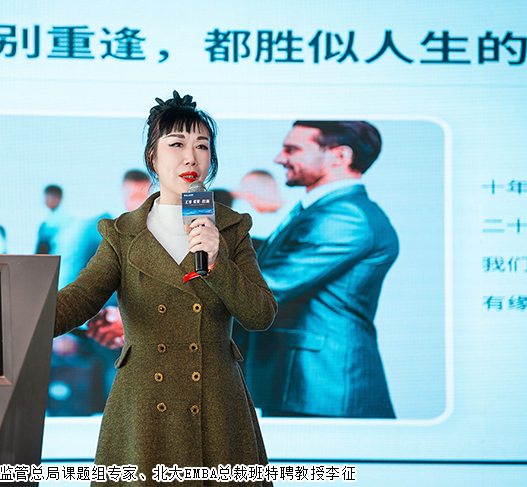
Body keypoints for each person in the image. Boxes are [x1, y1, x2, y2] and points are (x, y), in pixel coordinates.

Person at [55, 91, 276, 484]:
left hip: (216, 404)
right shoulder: (123, 233)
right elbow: (81, 298)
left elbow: (260, 315)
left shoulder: (231, 227)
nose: (191, 157)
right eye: (176, 144)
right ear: (153, 158)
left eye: (202, 146)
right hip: (144, 408)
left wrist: (217, 261)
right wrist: (15, 316)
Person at [246, 120, 398, 418]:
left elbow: (267, 287)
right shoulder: (327, 208)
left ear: (339, 156)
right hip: (308, 384)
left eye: (292, 149)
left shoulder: (346, 215)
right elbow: (281, 254)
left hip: (324, 386)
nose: (279, 158)